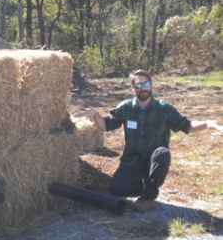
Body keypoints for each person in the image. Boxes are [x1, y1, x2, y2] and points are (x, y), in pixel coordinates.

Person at [75, 69, 223, 212]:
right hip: (132, 159)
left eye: (146, 84)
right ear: (133, 88)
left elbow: (187, 126)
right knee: (116, 189)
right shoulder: (125, 108)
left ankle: (148, 197)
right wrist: (94, 114)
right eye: (138, 85)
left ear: (151, 85)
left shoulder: (164, 109)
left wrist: (207, 123)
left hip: (154, 161)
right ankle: (141, 185)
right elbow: (106, 125)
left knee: (162, 152)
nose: (143, 88)